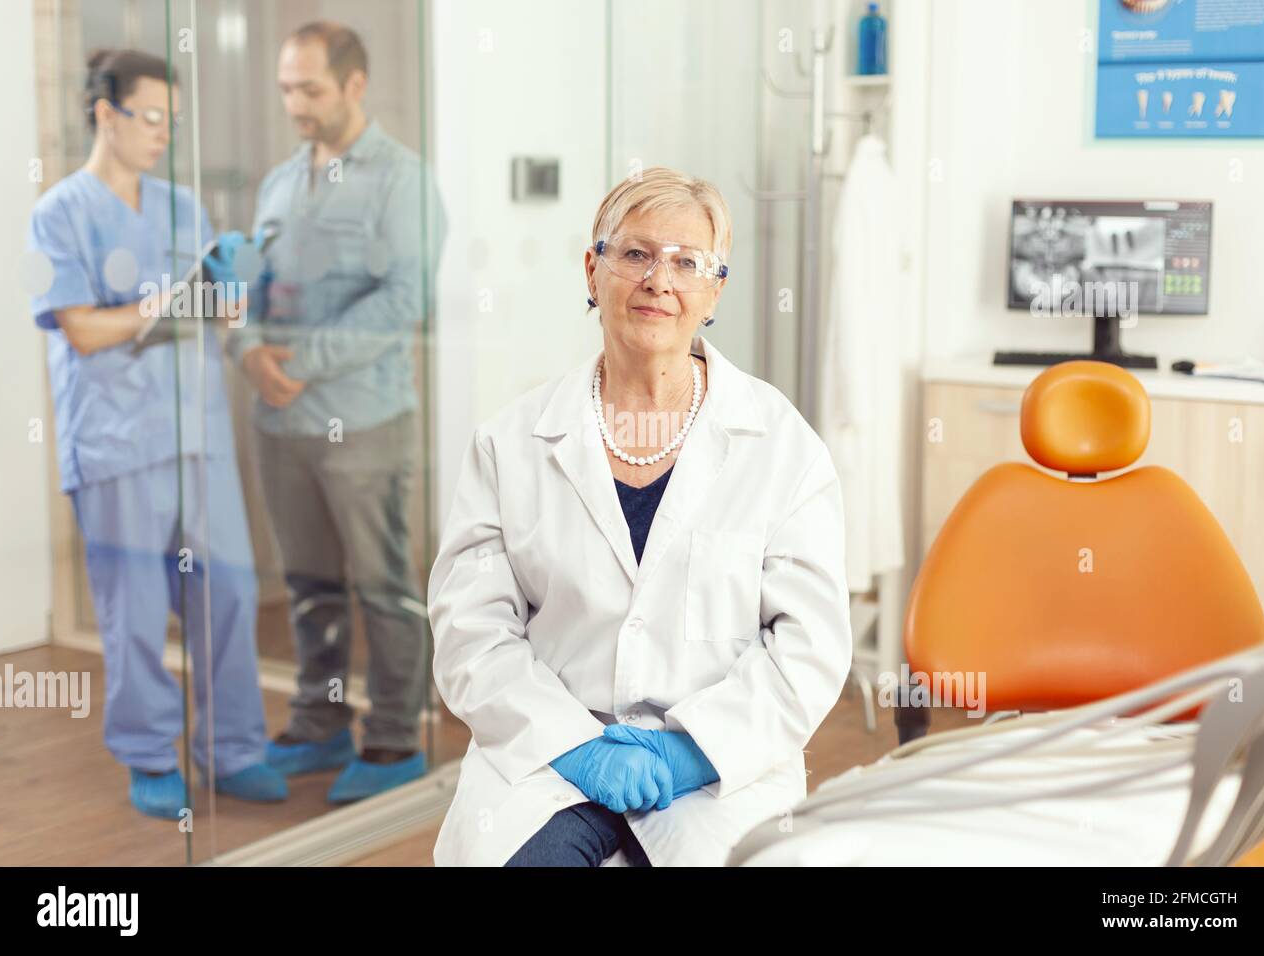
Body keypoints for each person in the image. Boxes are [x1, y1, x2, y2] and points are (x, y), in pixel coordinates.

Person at [427, 167, 853, 866]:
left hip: (716, 769)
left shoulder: (781, 447)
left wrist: (692, 751)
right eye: (634, 254)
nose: (660, 279)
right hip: (553, 758)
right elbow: (471, 633)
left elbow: (808, 647)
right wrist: (577, 746)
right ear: (592, 271)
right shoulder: (511, 442)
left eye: (688, 262)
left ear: (714, 291)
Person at [26, 48, 285, 819]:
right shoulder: (58, 214)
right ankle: (148, 755)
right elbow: (80, 329)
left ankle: (233, 749)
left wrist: (231, 304)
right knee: (135, 609)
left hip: (195, 434)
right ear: (104, 113)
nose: (164, 133)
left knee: (231, 593)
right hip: (114, 441)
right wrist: (168, 300)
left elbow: (216, 308)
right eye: (150, 117)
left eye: (173, 121)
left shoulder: (183, 207)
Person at [213, 21, 446, 803]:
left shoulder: (401, 181)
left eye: (309, 88)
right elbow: (241, 280)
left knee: (382, 584)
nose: (294, 103)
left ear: (354, 85)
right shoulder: (280, 183)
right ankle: (319, 724)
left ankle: (392, 740)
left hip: (363, 421)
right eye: (286, 88)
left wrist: (297, 367)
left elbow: (406, 301)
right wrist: (246, 350)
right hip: (281, 426)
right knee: (310, 583)